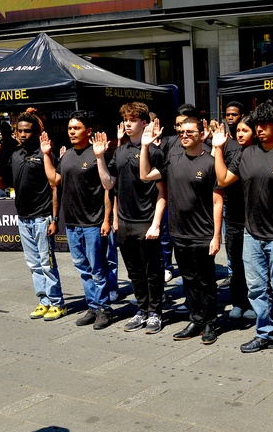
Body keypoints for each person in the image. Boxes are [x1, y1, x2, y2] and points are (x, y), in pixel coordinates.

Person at [215, 99, 273, 359]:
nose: (259, 130)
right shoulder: (246, 153)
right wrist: (218, 150)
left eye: (265, 125)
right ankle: (264, 333)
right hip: (252, 234)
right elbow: (223, 180)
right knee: (255, 288)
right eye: (257, 125)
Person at [142, 116, 223, 343]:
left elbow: (218, 202)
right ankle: (195, 319)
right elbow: (145, 175)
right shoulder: (173, 159)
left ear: (201, 134)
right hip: (179, 232)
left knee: (206, 281)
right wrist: (145, 147)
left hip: (203, 233)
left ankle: (209, 323)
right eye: (182, 132)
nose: (185, 135)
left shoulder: (210, 162)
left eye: (190, 132)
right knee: (188, 279)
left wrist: (217, 236)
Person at [95, 102, 166, 334]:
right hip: (125, 222)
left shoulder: (155, 152)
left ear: (144, 123)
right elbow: (109, 184)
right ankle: (142, 310)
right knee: (134, 271)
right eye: (125, 119)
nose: (127, 123)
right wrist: (99, 158)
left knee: (152, 271)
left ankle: (155, 312)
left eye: (133, 120)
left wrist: (156, 224)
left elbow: (163, 193)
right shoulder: (121, 151)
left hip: (146, 221)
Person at [41, 110, 113, 331]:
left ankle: (104, 309)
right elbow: (55, 179)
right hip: (72, 223)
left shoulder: (97, 154)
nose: (72, 132)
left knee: (97, 269)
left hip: (93, 222)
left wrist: (107, 219)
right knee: (82, 267)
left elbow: (108, 190)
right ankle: (92, 306)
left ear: (88, 131)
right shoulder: (67, 156)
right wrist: (46, 154)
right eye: (70, 128)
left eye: (77, 128)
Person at [0, 111, 66, 321]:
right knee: (33, 264)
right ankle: (44, 301)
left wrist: (54, 218)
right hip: (23, 218)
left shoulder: (46, 154)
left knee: (47, 263)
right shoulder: (15, 155)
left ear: (36, 133)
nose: (23, 134)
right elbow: (2, 184)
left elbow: (54, 187)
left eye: (27, 131)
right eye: (20, 131)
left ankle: (57, 303)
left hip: (42, 217)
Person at [214, 116, 255, 321]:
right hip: (234, 218)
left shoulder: (259, 153)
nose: (240, 134)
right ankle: (238, 302)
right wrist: (218, 149)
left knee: (254, 266)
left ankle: (254, 304)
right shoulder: (234, 153)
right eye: (238, 130)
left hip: (255, 221)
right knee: (236, 264)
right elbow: (221, 180)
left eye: (245, 130)